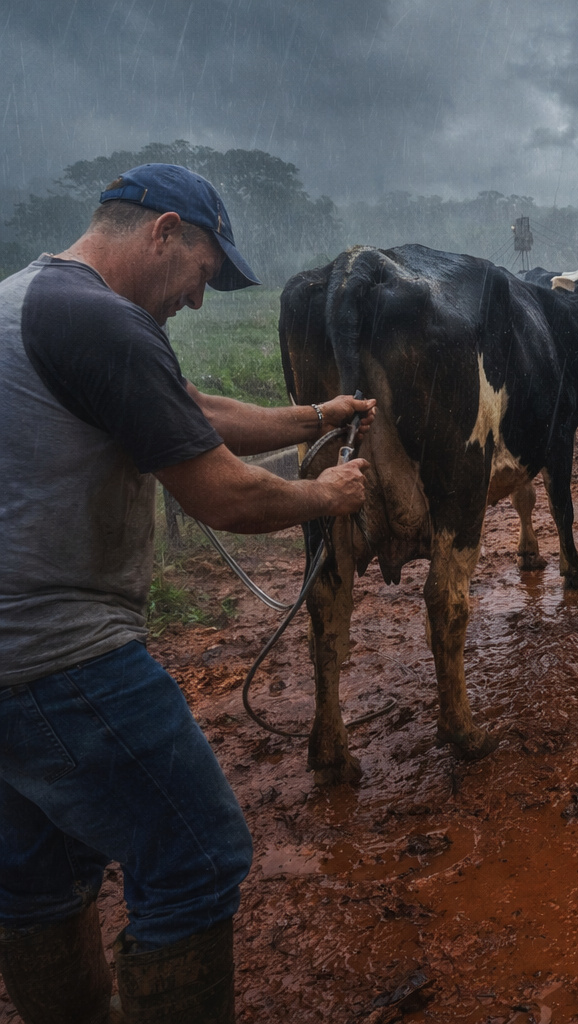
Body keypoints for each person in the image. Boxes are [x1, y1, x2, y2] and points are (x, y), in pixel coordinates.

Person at [0, 163, 375, 1023]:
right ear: (164, 231)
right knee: (197, 858)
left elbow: (191, 409)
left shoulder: (31, 299)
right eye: (204, 273)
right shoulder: (106, 322)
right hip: (59, 657)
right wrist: (327, 495)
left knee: (37, 881)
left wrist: (317, 416)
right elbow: (225, 497)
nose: (200, 300)